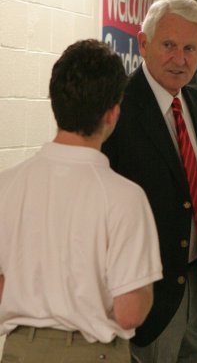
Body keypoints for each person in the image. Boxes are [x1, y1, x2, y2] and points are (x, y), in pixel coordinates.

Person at [0, 39, 163, 363]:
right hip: (92, 353)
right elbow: (129, 312)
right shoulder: (125, 197)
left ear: (54, 102)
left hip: (18, 352)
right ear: (113, 113)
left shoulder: (7, 184)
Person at [102, 0, 197, 363]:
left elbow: (193, 187)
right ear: (143, 44)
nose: (180, 59)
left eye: (190, 48)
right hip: (145, 299)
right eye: (169, 45)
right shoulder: (116, 109)